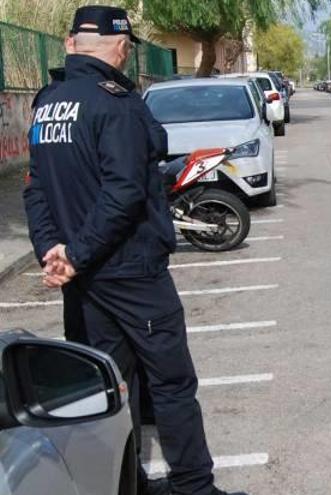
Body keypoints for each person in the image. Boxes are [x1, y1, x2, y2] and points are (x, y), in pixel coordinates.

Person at [23, 6, 245, 495]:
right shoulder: (117, 104)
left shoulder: (48, 103)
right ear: (122, 47)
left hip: (84, 278)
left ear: (70, 44)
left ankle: (128, 485)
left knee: (110, 388)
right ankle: (193, 487)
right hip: (130, 272)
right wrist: (74, 254)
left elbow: (36, 189)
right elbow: (124, 194)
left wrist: (52, 252)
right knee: (171, 384)